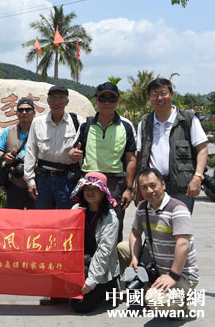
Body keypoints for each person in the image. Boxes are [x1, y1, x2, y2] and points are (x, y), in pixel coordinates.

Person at [118, 168, 199, 318]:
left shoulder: (178, 208)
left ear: (163, 185)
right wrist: (135, 259)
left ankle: (181, 303)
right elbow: (135, 233)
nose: (149, 190)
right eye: (143, 187)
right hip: (156, 265)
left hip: (181, 273)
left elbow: (183, 244)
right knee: (122, 248)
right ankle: (144, 291)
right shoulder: (143, 207)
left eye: (153, 185)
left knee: (155, 301)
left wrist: (173, 276)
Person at [69, 82, 137, 242]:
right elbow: (72, 151)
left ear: (117, 101)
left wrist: (128, 188)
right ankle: (86, 262)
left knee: (113, 224)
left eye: (111, 99)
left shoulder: (126, 126)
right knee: (86, 223)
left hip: (115, 183)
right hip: (89, 181)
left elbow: (131, 159)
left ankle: (112, 265)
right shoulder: (86, 125)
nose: (107, 103)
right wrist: (73, 153)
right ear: (96, 101)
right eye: (103, 99)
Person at [135, 78, 208, 213]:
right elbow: (139, 157)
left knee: (180, 227)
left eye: (163, 93)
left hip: (182, 186)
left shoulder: (187, 119)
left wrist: (197, 177)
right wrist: (137, 187)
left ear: (171, 94)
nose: (159, 98)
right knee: (154, 227)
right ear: (149, 97)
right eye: (154, 94)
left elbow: (202, 148)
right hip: (153, 186)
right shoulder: (145, 123)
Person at [65, 172, 120, 312]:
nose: (90, 191)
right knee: (61, 294)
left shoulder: (110, 219)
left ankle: (112, 286)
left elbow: (104, 252)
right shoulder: (75, 210)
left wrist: (90, 282)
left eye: (95, 188)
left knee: (79, 306)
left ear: (103, 193)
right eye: (87, 187)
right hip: (79, 264)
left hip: (100, 268)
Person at [24, 85, 81, 209]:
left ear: (67, 101)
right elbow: (30, 151)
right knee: (43, 220)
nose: (57, 102)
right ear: (48, 101)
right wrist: (30, 180)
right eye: (53, 98)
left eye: (61, 98)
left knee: (66, 219)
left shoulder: (77, 123)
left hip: (67, 180)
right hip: (43, 180)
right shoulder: (37, 123)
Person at [0, 97, 36, 209]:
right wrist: (5, 156)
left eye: (28, 109)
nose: (24, 112)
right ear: (16, 113)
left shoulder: (40, 131)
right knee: (13, 218)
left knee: (34, 219)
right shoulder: (8, 131)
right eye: (20, 110)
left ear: (34, 112)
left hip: (35, 182)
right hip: (14, 183)